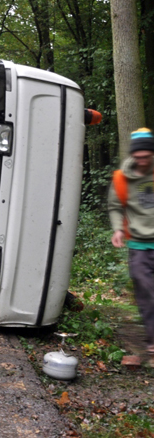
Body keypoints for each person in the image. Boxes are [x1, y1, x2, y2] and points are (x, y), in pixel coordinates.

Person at [108, 127, 154, 367]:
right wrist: (118, 229)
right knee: (145, 290)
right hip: (137, 244)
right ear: (133, 156)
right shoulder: (122, 178)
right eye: (139, 157)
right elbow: (115, 206)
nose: (143, 161)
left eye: (147, 157)